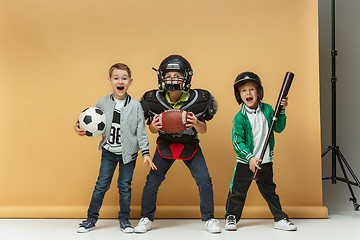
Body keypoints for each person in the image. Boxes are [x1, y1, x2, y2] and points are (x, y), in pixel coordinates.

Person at [134, 55, 221, 233]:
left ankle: (209, 218)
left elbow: (203, 130)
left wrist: (196, 122)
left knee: (204, 180)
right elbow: (151, 129)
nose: (172, 79)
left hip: (190, 144)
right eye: (168, 75)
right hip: (165, 144)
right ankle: (146, 217)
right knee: (152, 181)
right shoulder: (152, 100)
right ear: (161, 77)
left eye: (177, 75)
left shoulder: (199, 98)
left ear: (186, 77)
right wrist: (153, 126)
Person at [74, 63, 156, 233]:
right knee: (101, 185)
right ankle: (91, 219)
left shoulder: (135, 106)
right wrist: (78, 127)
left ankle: (124, 220)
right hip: (109, 152)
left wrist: (146, 153)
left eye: (124, 78)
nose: (120, 81)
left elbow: (141, 131)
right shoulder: (103, 102)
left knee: (124, 186)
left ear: (130, 81)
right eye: (116, 78)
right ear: (110, 80)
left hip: (129, 155)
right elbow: (90, 120)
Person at [224, 72, 297, 231]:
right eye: (244, 91)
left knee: (269, 191)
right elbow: (238, 143)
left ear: (259, 92)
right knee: (238, 191)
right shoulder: (240, 117)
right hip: (246, 162)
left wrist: (282, 111)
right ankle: (231, 216)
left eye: (252, 89)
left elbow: (279, 128)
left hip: (265, 161)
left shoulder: (269, 110)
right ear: (239, 95)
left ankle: (280, 218)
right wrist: (249, 158)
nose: (248, 93)